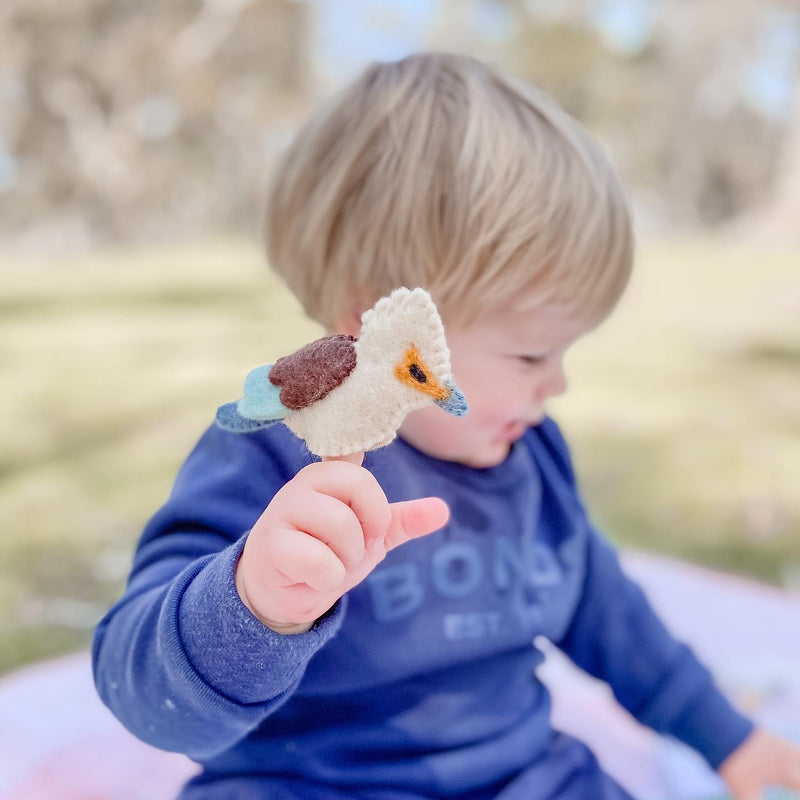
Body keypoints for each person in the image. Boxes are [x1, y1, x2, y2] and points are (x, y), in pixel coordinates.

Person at [92, 53, 800, 799]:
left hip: (515, 775)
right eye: (532, 354)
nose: (557, 385)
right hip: (309, 782)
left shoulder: (530, 457)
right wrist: (253, 603)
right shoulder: (270, 456)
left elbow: (611, 616)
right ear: (379, 326)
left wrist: (732, 740)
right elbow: (144, 696)